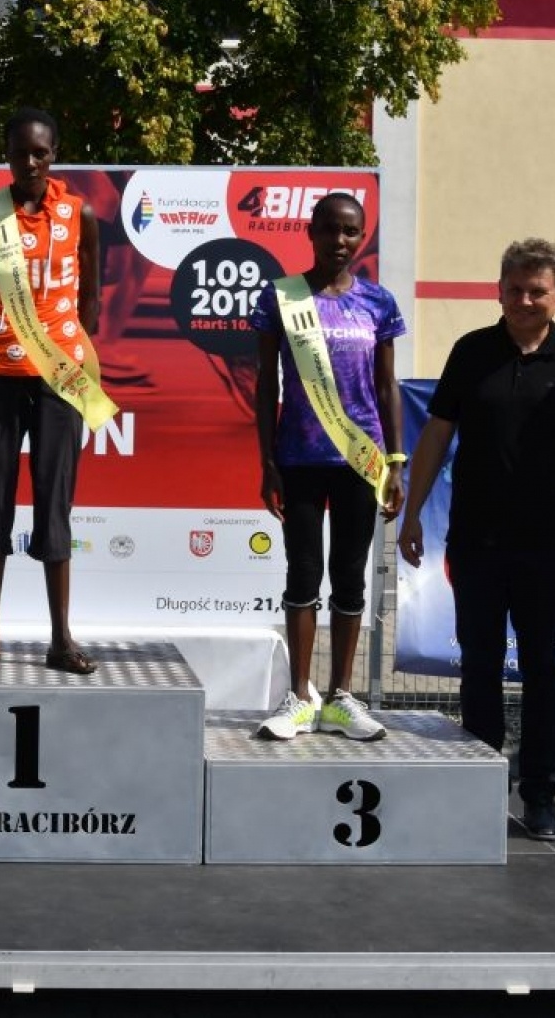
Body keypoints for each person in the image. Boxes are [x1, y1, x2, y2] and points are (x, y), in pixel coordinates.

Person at [398, 239, 555, 842]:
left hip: (547, 543)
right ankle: (481, 784)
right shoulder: (471, 352)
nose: (524, 300)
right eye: (514, 289)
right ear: (499, 292)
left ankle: (541, 795)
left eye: (536, 291)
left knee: (545, 668)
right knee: (480, 666)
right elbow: (437, 432)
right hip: (476, 540)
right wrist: (411, 513)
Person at [0, 107, 112, 675]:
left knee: (55, 504)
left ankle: (61, 638)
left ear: (54, 155)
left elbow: (90, 296)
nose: (30, 162)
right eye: (21, 152)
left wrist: (65, 347)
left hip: (60, 383)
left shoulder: (79, 213)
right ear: (9, 154)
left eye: (40, 152)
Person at [250, 192, 405, 742]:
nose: (340, 241)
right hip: (299, 456)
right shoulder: (282, 298)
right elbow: (266, 382)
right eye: (330, 229)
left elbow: (387, 386)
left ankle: (341, 697)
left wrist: (395, 461)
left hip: (360, 460)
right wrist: (267, 459)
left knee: (349, 576)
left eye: (350, 231)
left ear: (361, 237)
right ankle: (298, 697)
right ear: (311, 232)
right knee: (302, 574)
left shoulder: (378, 302)